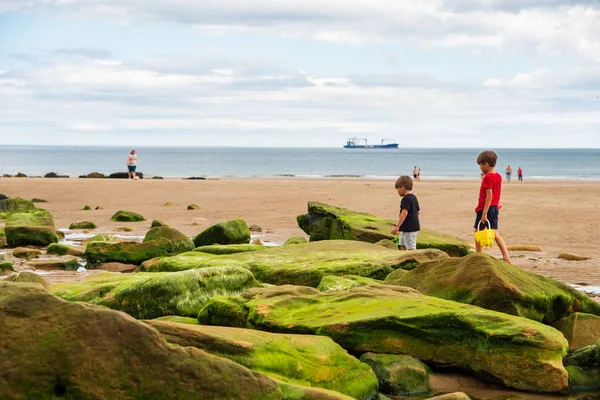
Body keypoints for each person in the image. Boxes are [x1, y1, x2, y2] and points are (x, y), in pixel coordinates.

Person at [475, 150, 511, 263]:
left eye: (480, 165)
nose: (480, 167)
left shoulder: (488, 178)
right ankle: (506, 256)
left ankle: (478, 255)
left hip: (485, 208)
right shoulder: (498, 176)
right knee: (495, 233)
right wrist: (495, 206)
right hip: (494, 207)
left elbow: (489, 196)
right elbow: (496, 193)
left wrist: (485, 213)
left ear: (486, 164)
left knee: (478, 231)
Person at [391, 175, 420, 250]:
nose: (397, 191)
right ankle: (404, 258)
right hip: (407, 228)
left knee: (411, 246)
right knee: (402, 243)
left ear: (402, 187)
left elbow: (404, 213)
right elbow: (418, 211)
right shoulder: (413, 197)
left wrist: (397, 226)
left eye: (398, 189)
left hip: (410, 228)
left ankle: (415, 259)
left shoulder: (406, 199)